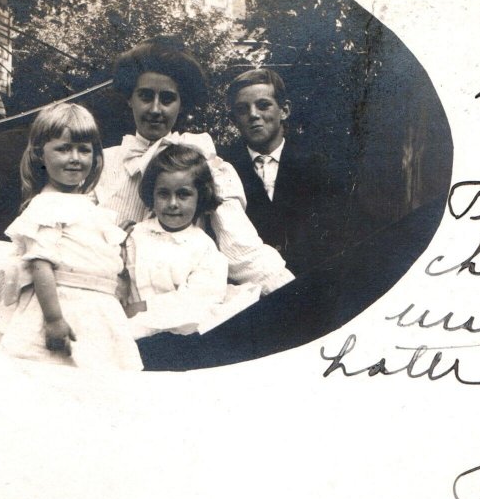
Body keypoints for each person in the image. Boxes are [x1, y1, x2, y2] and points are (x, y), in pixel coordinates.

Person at [95, 38, 293, 294]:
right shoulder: (100, 163)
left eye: (167, 99)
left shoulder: (202, 159)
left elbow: (241, 249)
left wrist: (291, 290)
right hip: (107, 298)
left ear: (181, 103)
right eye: (145, 96)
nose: (155, 109)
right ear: (130, 99)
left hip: (179, 302)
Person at [0, 103, 141, 370]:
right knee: (55, 379)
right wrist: (53, 319)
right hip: (63, 304)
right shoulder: (47, 205)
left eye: (84, 149)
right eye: (63, 149)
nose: (75, 158)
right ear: (40, 155)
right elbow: (41, 264)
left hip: (98, 310)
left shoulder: (90, 207)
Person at [224, 68, 350, 275]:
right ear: (234, 119)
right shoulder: (223, 167)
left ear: (284, 110)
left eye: (263, 105)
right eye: (242, 109)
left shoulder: (318, 165)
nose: (253, 115)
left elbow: (338, 234)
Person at [123, 144, 234, 340]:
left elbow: (199, 301)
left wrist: (146, 307)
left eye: (183, 194)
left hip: (180, 339)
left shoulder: (204, 249)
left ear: (200, 196)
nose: (173, 203)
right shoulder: (134, 236)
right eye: (164, 194)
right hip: (128, 333)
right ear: (152, 194)